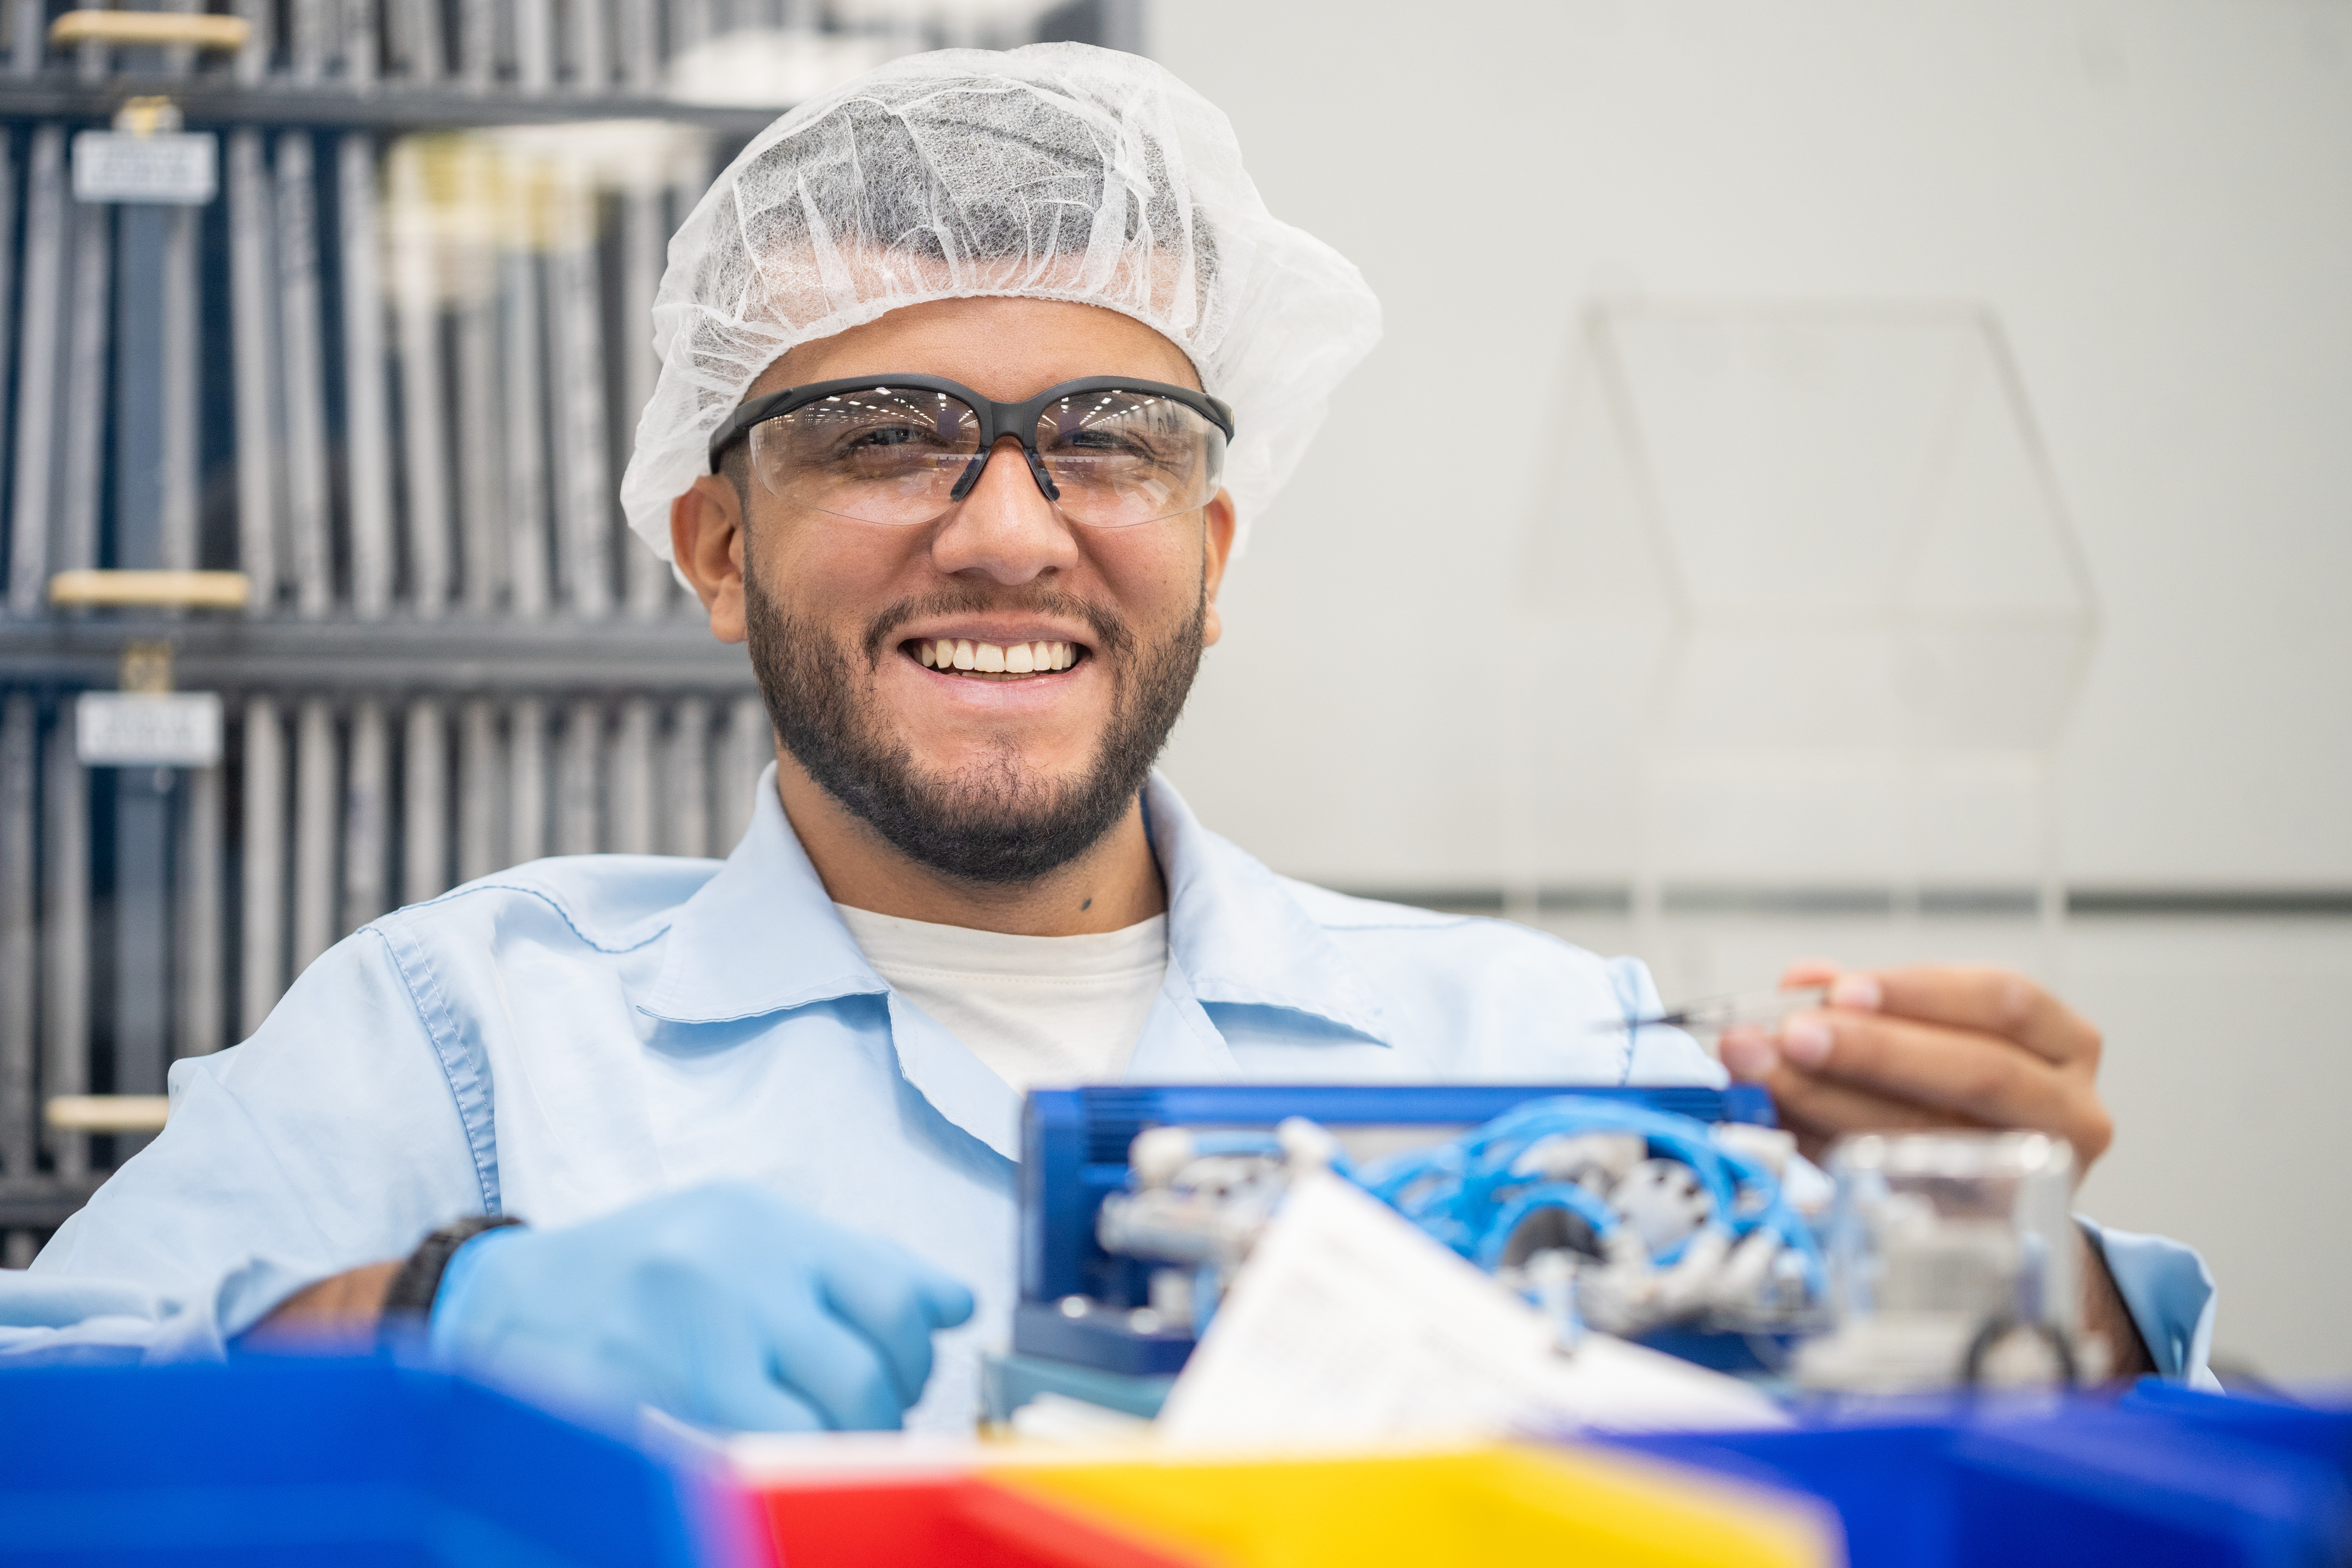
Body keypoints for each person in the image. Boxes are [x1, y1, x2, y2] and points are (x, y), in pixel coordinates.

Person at [3, 44, 2211, 1429]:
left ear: (1213, 544)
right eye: (882, 436)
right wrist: (429, 1314)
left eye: (1109, 443)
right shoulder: (462, 1036)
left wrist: (2011, 1287)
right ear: (712, 544)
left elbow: (2083, 1482)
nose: (1006, 529)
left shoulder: (1556, 1049)